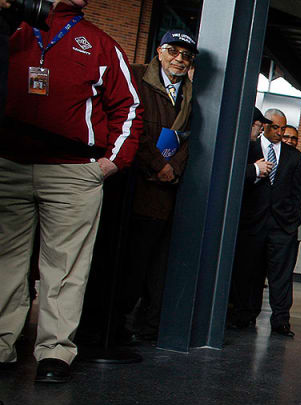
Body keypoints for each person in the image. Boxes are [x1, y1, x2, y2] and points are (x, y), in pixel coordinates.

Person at [0, 0, 141, 383]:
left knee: (64, 268)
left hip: (73, 171)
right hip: (9, 165)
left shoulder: (100, 43)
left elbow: (129, 107)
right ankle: (1, 345)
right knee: (5, 261)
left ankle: (55, 352)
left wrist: (111, 162)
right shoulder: (14, 30)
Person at [119, 30, 197, 341]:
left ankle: (137, 324)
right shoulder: (137, 78)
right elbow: (130, 127)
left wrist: (171, 167)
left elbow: (186, 138)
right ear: (160, 52)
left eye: (186, 55)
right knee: (125, 262)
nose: (180, 59)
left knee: (150, 263)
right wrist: (157, 164)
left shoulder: (189, 95)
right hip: (130, 186)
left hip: (163, 193)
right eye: (173, 51)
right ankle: (113, 325)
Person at [229, 108, 301, 337]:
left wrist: (293, 220)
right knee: (248, 272)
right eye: (275, 127)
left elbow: (298, 192)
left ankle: (280, 321)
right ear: (264, 126)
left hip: (282, 226)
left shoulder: (294, 156)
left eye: (283, 128)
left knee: (281, 277)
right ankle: (244, 315)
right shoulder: (249, 149)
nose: (279, 132)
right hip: (253, 223)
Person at [280, 125, 301, 247]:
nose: (290, 141)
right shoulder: (268, 162)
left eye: (294, 138)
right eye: (286, 137)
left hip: (291, 225)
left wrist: (285, 213)